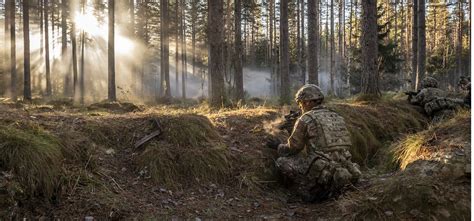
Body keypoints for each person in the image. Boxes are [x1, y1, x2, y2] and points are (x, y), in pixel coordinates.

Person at [268, 84, 361, 202]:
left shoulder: (306, 118)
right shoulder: (336, 116)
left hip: (323, 176)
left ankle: (305, 190)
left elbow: (293, 149)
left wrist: (278, 146)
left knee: (282, 161)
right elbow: (322, 142)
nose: (300, 107)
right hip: (345, 171)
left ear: (307, 102)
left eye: (300, 103)